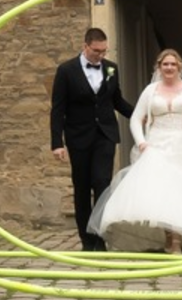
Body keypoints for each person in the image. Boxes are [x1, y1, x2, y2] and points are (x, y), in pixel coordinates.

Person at [88, 49, 182, 255]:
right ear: (159, 67)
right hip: (156, 144)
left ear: (179, 67)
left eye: (173, 64)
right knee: (161, 193)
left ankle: (175, 240)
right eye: (165, 64)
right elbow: (135, 118)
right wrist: (141, 142)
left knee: (180, 193)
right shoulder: (151, 91)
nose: (169, 68)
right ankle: (171, 239)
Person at [50, 28, 135, 251]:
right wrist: (57, 143)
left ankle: (101, 237)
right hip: (78, 137)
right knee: (82, 187)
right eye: (96, 51)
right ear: (85, 46)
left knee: (102, 184)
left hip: (105, 135)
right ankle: (87, 241)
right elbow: (58, 109)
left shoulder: (111, 69)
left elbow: (118, 102)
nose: (100, 55)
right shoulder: (66, 70)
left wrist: (142, 115)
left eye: (104, 51)